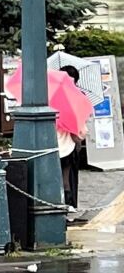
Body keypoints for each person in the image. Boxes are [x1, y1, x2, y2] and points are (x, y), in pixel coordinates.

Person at [60, 64, 86, 215]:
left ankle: (62, 205)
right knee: (70, 175)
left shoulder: (53, 96)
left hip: (59, 142)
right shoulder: (79, 96)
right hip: (73, 140)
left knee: (62, 176)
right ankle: (71, 204)